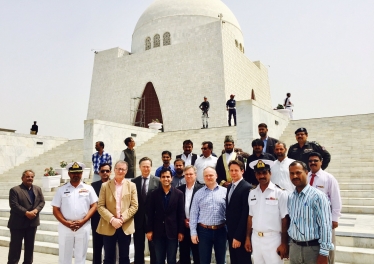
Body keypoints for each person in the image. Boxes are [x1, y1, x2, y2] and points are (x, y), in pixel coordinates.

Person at [51, 162, 98, 264]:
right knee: (64, 256)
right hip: (65, 227)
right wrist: (66, 223)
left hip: (83, 226)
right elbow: (55, 209)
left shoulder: (88, 188)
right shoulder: (62, 189)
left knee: (80, 256)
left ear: (82, 174)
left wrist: (83, 221)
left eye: (78, 172)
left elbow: (94, 206)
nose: (76, 175)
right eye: (73, 173)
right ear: (69, 174)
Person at [288, 161, 334, 264]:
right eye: (292, 173)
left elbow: (325, 226)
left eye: (298, 172)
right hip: (295, 248)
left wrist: (324, 253)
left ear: (306, 172)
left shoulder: (318, 196)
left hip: (313, 250)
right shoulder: (291, 197)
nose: (295, 176)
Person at [245, 160, 289, 264]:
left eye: (264, 173)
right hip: (256, 239)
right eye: (259, 173)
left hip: (273, 239)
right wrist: (247, 237)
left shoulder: (280, 193)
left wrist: (284, 243)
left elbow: (285, 219)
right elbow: (250, 217)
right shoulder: (252, 193)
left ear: (270, 173)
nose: (262, 176)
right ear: (255, 175)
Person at [97, 160, 138, 264]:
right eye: (118, 169)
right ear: (114, 170)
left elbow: (134, 205)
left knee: (124, 257)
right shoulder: (105, 186)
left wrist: (122, 219)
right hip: (109, 225)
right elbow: (100, 206)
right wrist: (112, 219)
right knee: (108, 258)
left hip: (125, 225)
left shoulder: (131, 185)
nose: (120, 171)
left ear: (126, 171)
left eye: (123, 169)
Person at [308, 152, 342, 264]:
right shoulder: (305, 177)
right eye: (310, 161)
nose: (313, 163)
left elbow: (335, 199)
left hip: (326, 220)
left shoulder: (328, 178)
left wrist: (335, 218)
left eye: (315, 160)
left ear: (321, 162)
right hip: (309, 220)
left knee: (327, 249)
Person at [146, 168, 185, 264]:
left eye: (168, 177)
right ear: (160, 178)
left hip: (173, 232)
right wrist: (149, 230)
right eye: (163, 177)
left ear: (172, 178)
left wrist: (181, 231)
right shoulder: (154, 194)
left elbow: (180, 214)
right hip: (158, 232)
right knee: (159, 259)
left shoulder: (179, 194)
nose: (165, 179)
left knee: (171, 259)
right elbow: (150, 213)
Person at [189, 167, 227, 264]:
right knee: (204, 260)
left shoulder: (225, 192)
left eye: (211, 175)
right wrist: (193, 233)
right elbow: (193, 214)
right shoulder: (198, 194)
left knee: (221, 260)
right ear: (203, 177)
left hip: (221, 230)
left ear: (216, 176)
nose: (209, 177)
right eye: (206, 176)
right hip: (204, 232)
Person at [7, 169, 45, 264]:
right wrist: (27, 213)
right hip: (17, 224)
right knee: (15, 248)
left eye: (32, 177)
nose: (30, 178)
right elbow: (14, 205)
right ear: (22, 178)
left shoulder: (37, 189)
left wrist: (35, 210)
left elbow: (42, 202)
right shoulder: (15, 190)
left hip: (32, 224)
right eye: (27, 176)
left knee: (29, 247)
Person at [131, 157, 160, 264]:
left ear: (151, 167)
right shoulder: (134, 182)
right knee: (138, 248)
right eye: (143, 166)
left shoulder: (157, 181)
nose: (146, 168)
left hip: (152, 221)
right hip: (138, 220)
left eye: (148, 166)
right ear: (139, 167)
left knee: (154, 249)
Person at [225, 160, 252, 264]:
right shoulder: (230, 187)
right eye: (231, 170)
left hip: (240, 235)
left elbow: (245, 214)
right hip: (231, 233)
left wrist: (238, 236)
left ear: (242, 171)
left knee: (243, 260)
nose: (233, 173)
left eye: (236, 170)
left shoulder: (246, 187)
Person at [177, 165, 204, 264]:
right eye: (186, 174)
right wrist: (184, 219)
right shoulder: (179, 189)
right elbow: (178, 208)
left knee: (197, 254)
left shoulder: (201, 189)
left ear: (195, 175)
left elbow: (204, 208)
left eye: (191, 174)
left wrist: (193, 220)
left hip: (197, 227)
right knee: (184, 254)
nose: (188, 176)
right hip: (183, 226)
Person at [91, 163, 111, 264]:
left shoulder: (115, 185)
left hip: (111, 222)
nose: (105, 173)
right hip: (97, 221)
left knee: (110, 250)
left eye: (107, 171)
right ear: (99, 172)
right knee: (97, 248)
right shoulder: (93, 186)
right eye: (102, 171)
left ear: (110, 172)